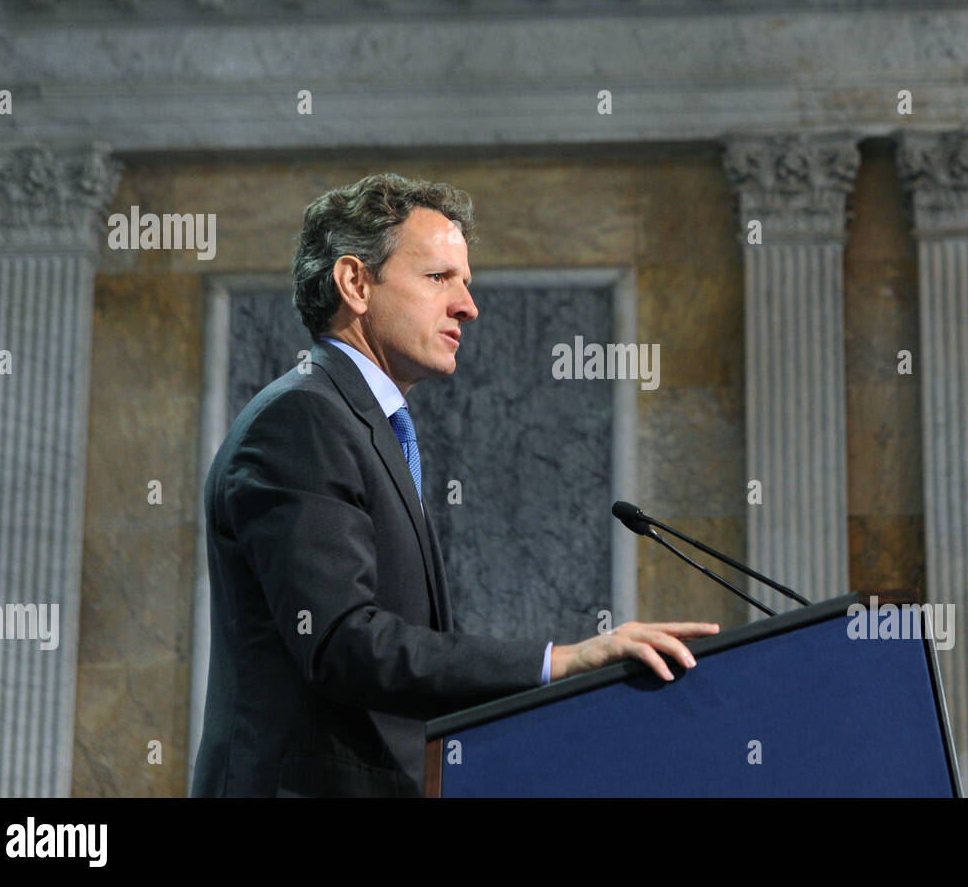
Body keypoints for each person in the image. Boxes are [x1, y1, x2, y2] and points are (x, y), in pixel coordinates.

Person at [191, 173, 719, 797]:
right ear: (355, 283)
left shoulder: (362, 422)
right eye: (440, 278)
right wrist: (560, 660)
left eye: (465, 282)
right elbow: (339, 643)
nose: (468, 305)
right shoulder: (301, 420)